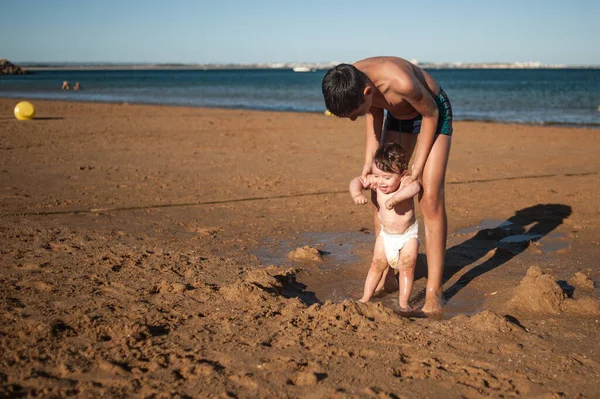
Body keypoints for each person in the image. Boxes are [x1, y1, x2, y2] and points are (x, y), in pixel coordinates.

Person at [322, 56, 453, 315]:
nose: (352, 120)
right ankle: (388, 275)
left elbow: (431, 114)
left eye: (354, 114)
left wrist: (417, 166)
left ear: (367, 91)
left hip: (433, 113)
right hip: (396, 115)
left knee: (428, 197)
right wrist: (369, 163)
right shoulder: (351, 80)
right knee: (381, 191)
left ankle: (434, 292)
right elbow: (373, 111)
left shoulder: (400, 82)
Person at [350, 143, 421, 311]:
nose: (380, 181)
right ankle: (366, 297)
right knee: (376, 264)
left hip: (407, 236)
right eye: (377, 175)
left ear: (402, 175)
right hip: (386, 235)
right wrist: (357, 193)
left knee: (407, 267)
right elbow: (356, 181)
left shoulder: (405, 184)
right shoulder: (376, 180)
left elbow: (415, 187)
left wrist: (396, 199)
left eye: (387, 177)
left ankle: (403, 302)